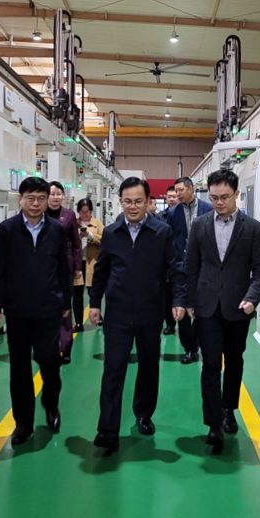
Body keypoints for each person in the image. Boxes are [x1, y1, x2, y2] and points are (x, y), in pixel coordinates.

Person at [89, 177, 186, 451]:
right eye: (128, 201)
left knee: (148, 366)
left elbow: (176, 269)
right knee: (113, 369)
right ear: (121, 201)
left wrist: (179, 299)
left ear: (148, 202)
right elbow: (101, 271)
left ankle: (143, 414)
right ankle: (107, 429)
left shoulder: (162, 232)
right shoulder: (111, 233)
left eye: (138, 201)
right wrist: (94, 302)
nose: (133, 207)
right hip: (117, 313)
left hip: (150, 312)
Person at [186, 169, 260, 448]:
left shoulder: (252, 228)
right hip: (206, 307)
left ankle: (228, 409)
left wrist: (252, 298)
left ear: (237, 195)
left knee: (234, 360)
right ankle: (213, 423)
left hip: (238, 308)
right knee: (210, 363)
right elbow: (191, 266)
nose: (219, 202)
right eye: (214, 198)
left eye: (224, 197)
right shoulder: (199, 225)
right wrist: (190, 300)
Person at [0, 177, 71, 445]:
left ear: (47, 201)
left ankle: (51, 403)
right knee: (20, 368)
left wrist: (66, 304)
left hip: (49, 309)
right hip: (18, 310)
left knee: (49, 361)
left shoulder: (56, 230)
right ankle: (23, 423)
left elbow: (63, 268)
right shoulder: (6, 230)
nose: (36, 204)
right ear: (20, 199)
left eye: (41, 199)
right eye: (31, 198)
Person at [167, 177, 213, 364]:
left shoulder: (208, 209)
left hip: (204, 267)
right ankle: (189, 348)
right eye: (176, 190)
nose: (177, 194)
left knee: (202, 309)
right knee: (181, 310)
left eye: (180, 190)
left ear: (191, 189)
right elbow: (171, 239)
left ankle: (198, 340)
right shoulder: (173, 213)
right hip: (181, 266)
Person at [47, 181, 83, 364]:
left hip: (64, 268)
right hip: (43, 267)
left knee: (65, 307)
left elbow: (76, 244)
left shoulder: (69, 215)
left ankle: (66, 347)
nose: (56, 197)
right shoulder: (40, 214)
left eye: (59, 194)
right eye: (52, 193)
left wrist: (77, 268)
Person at [73, 198, 104, 332]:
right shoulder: (74, 223)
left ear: (91, 211)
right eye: (82, 212)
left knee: (93, 292)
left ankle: (97, 316)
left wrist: (90, 235)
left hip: (92, 262)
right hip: (77, 264)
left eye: (87, 211)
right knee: (77, 294)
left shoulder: (97, 224)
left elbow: (104, 239)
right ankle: (79, 323)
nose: (85, 214)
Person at [158, 186, 178, 334]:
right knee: (167, 296)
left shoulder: (184, 216)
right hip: (165, 262)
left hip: (182, 260)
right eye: (169, 197)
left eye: (174, 196)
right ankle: (170, 324)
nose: (171, 199)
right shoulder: (160, 217)